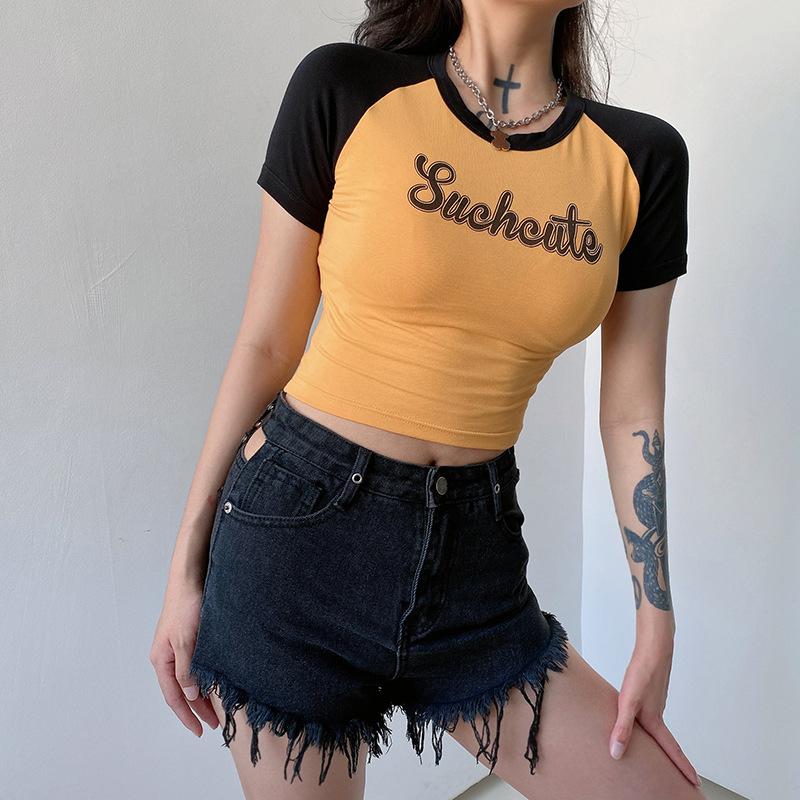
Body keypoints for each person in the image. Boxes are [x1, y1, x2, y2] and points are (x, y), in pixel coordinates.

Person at [150, 1, 708, 798]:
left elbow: (630, 415)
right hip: (294, 544)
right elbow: (266, 346)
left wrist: (656, 621)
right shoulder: (345, 89)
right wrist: (185, 568)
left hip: (474, 561)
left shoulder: (640, 160)